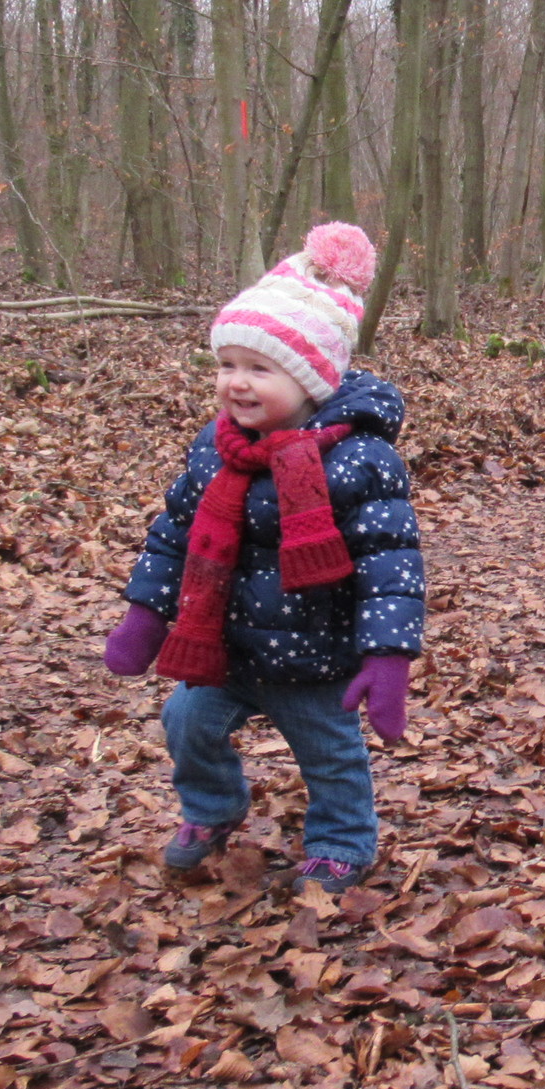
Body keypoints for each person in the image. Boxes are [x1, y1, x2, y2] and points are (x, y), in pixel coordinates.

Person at [100, 222, 422, 892]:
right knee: (185, 723)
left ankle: (342, 842)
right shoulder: (215, 448)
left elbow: (390, 564)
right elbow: (176, 533)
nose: (237, 384)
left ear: (311, 380)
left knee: (329, 756)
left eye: (259, 369)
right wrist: (145, 614)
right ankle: (212, 808)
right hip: (225, 645)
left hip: (315, 651)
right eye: (227, 365)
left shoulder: (358, 459)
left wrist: (387, 655)